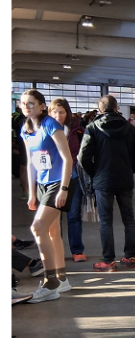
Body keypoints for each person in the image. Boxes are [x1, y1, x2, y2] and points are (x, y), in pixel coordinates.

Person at [18, 90, 75, 303]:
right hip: (42, 184)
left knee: (38, 227)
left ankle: (50, 283)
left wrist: (64, 189)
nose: (26, 107)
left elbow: (67, 159)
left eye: (31, 103)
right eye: (23, 103)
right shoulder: (26, 129)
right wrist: (31, 193)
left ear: (42, 106)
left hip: (60, 182)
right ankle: (61, 279)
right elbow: (31, 162)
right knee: (52, 230)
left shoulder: (51, 124)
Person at [78, 95, 135, 271]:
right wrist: (128, 169)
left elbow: (82, 157)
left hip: (103, 181)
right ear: (117, 108)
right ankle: (130, 256)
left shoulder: (92, 128)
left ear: (100, 110)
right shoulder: (130, 129)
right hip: (124, 179)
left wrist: (95, 173)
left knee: (106, 221)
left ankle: (108, 261)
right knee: (128, 219)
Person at [49, 98, 87, 263]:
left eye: (62, 112)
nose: (58, 115)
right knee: (53, 218)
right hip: (51, 179)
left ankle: (77, 249)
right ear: (49, 112)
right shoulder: (44, 129)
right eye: (54, 112)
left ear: (67, 113)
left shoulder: (77, 130)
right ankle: (56, 251)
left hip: (73, 177)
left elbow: (83, 152)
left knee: (73, 215)